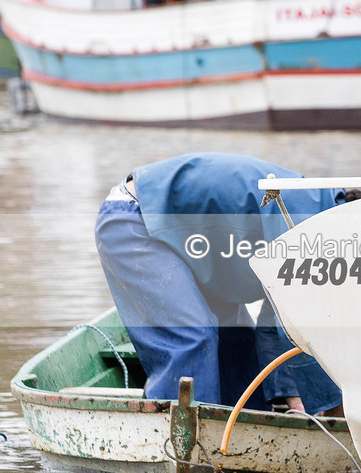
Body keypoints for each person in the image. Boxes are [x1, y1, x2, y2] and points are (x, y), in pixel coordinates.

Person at [94, 152, 346, 414]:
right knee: (192, 335)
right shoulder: (307, 215)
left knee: (236, 341)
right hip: (136, 217)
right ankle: (181, 439)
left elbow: (274, 322)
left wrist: (297, 401)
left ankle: (238, 436)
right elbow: (296, 323)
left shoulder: (324, 223)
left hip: (196, 241)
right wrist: (334, 408)